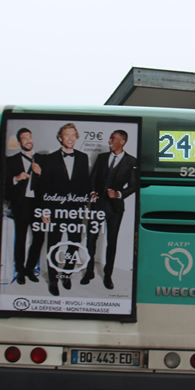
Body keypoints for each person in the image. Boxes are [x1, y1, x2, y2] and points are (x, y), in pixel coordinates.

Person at [37, 123, 91, 296]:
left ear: (76, 137)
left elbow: (85, 183)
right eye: (66, 135)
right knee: (53, 245)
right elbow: (43, 186)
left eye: (73, 135)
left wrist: (84, 203)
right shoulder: (50, 159)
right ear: (60, 137)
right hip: (54, 210)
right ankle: (53, 280)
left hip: (75, 210)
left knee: (74, 243)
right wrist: (45, 211)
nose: (70, 139)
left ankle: (66, 274)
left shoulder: (83, 157)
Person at [82, 130, 137, 290]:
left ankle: (108, 276)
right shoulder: (101, 158)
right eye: (110, 138)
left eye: (113, 139)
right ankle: (89, 271)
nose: (109, 141)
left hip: (115, 207)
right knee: (91, 239)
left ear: (122, 141)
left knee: (111, 241)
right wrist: (92, 192)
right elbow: (93, 179)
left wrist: (119, 194)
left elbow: (133, 186)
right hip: (98, 204)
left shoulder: (131, 161)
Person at [5, 128, 43, 285]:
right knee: (20, 238)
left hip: (38, 204)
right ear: (19, 142)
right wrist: (16, 178)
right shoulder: (11, 161)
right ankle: (20, 271)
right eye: (24, 138)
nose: (28, 140)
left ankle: (30, 268)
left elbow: (51, 184)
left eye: (30, 137)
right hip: (22, 203)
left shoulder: (43, 159)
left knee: (39, 237)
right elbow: (5, 187)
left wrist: (41, 173)